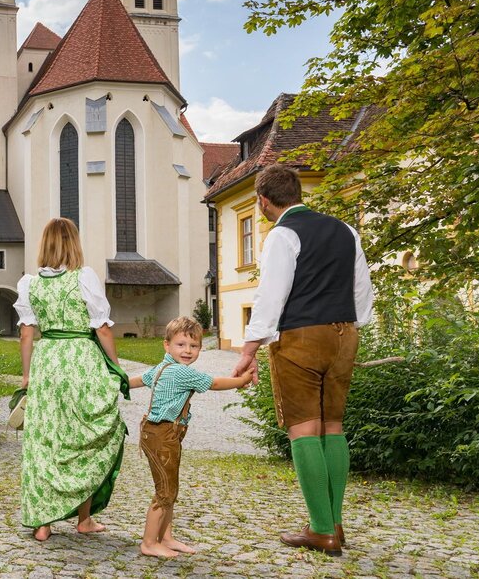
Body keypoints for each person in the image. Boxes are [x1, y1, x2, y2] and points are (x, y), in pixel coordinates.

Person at [231, 163, 374, 557]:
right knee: (333, 426)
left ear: (263, 201)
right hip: (344, 333)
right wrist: (350, 327)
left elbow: (270, 296)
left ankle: (321, 530)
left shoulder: (282, 235)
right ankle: (335, 523)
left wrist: (248, 350)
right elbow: (362, 290)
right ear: (297, 194)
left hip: (300, 338)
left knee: (304, 429)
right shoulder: (346, 231)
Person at [15, 217, 129, 542]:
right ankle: (84, 519)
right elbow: (102, 328)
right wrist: (116, 366)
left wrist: (27, 374)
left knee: (45, 440)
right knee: (84, 438)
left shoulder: (29, 284)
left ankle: (42, 523)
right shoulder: (84, 277)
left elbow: (26, 334)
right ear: (74, 243)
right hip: (81, 360)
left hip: (47, 361)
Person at [132, 316, 255, 558]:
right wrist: (242, 380)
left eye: (194, 345)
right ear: (167, 345)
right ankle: (149, 542)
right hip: (162, 435)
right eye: (181, 345)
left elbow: (135, 380)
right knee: (165, 491)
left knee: (170, 487)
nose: (187, 350)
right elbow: (214, 383)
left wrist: (115, 383)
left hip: (161, 434)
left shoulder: (161, 368)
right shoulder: (180, 372)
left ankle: (166, 538)